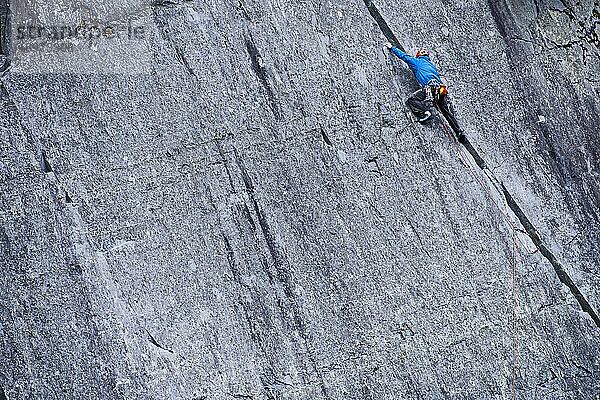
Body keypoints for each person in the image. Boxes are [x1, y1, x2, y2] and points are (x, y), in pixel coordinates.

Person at [385, 43, 464, 142]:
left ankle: (425, 113)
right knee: (446, 112)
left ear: (419, 55)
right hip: (441, 89)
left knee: (412, 100)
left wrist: (392, 47)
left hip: (430, 88)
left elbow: (404, 57)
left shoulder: (417, 62)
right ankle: (458, 131)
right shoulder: (432, 66)